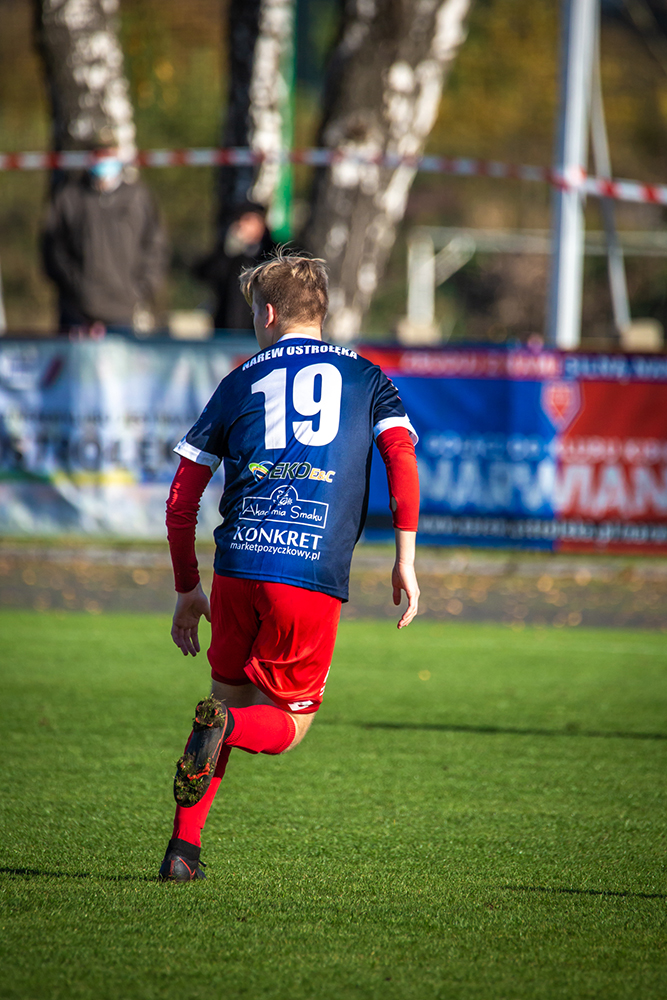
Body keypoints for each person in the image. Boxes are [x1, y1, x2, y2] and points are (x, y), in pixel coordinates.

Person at [160, 251, 420, 882]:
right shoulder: (368, 377)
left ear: (269, 314)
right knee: (289, 723)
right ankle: (227, 726)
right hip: (307, 575)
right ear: (319, 312)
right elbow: (401, 459)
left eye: (254, 311)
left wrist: (188, 588)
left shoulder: (239, 379)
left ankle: (182, 853)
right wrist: (404, 560)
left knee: (222, 699)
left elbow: (181, 499)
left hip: (237, 567)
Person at [41, 142, 167, 336]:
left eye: (109, 157)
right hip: (77, 310)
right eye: (99, 157)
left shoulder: (138, 197)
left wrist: (141, 289)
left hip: (123, 309)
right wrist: (75, 286)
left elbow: (155, 246)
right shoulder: (69, 197)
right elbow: (53, 248)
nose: (104, 165)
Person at [194, 202, 275, 333]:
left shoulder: (273, 253)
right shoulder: (230, 254)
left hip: (258, 330)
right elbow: (205, 273)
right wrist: (227, 252)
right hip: (226, 328)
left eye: (247, 220)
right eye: (238, 220)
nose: (241, 225)